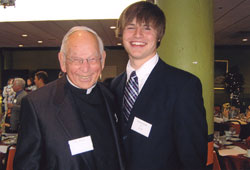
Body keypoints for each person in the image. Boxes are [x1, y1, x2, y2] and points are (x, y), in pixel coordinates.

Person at [110, 1, 208, 170]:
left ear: (159, 35)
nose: (138, 34)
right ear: (121, 33)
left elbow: (193, 157)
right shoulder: (114, 85)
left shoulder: (184, 86)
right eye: (131, 27)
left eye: (147, 28)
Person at [14, 26, 124, 170]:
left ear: (102, 59)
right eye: (77, 60)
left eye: (92, 59)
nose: (85, 68)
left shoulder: (111, 96)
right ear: (63, 60)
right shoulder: (37, 105)